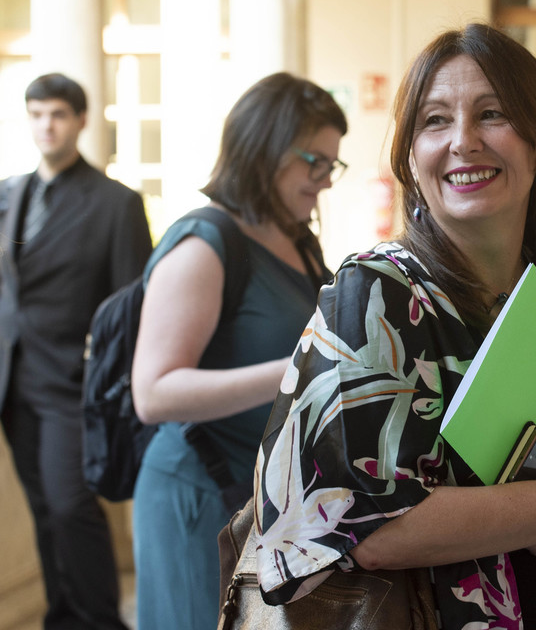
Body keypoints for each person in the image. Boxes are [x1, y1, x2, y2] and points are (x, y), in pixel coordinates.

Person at [253, 24, 536, 629]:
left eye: (492, 114)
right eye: (436, 120)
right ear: (412, 158)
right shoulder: (377, 295)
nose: (463, 142)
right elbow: (366, 523)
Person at [130, 73, 346, 630]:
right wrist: (297, 370)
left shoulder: (297, 239)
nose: (324, 181)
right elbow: (153, 394)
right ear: (266, 146)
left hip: (257, 502)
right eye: (313, 162)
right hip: (197, 492)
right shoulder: (206, 241)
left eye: (332, 166)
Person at [0, 73, 151, 630]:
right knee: (44, 510)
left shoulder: (115, 204)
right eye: (37, 114)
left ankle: (98, 621)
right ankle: (61, 617)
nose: (47, 125)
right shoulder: (10, 192)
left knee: (70, 506)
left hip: (72, 386)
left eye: (58, 114)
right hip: (13, 383)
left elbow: (130, 311)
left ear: (81, 121)